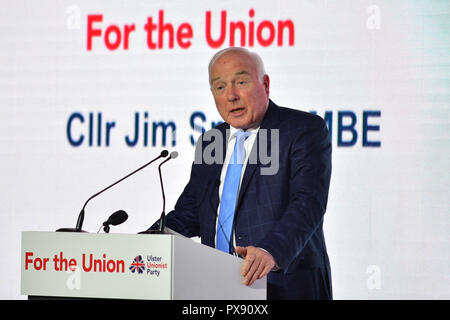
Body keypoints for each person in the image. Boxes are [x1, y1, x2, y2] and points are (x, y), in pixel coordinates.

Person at [155, 47, 332, 299]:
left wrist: (271, 251)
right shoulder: (210, 141)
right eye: (220, 87)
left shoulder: (302, 130)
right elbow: (191, 212)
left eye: (241, 82)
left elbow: (307, 203)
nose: (231, 95)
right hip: (217, 289)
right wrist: (147, 240)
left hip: (283, 287)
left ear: (265, 84)